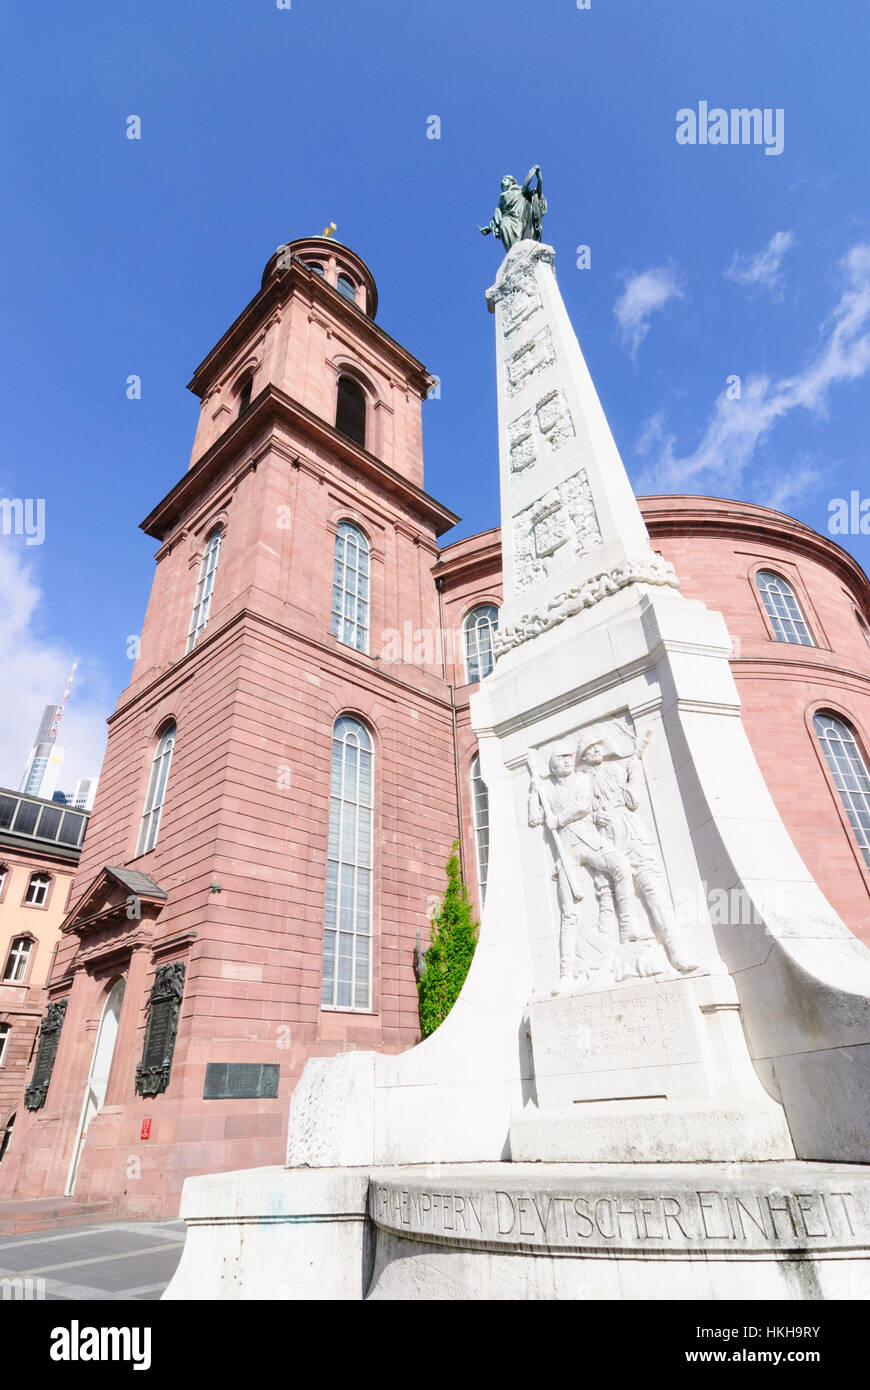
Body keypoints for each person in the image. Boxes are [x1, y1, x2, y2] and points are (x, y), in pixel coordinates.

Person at [480, 166, 546, 252]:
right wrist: (489, 228)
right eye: (502, 181)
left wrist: (535, 171)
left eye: (505, 179)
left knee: (505, 224)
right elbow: (498, 216)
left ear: (512, 182)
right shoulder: (502, 199)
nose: (502, 181)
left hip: (520, 219)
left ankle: (517, 252)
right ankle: (514, 252)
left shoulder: (519, 191)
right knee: (503, 224)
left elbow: (530, 184)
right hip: (508, 220)